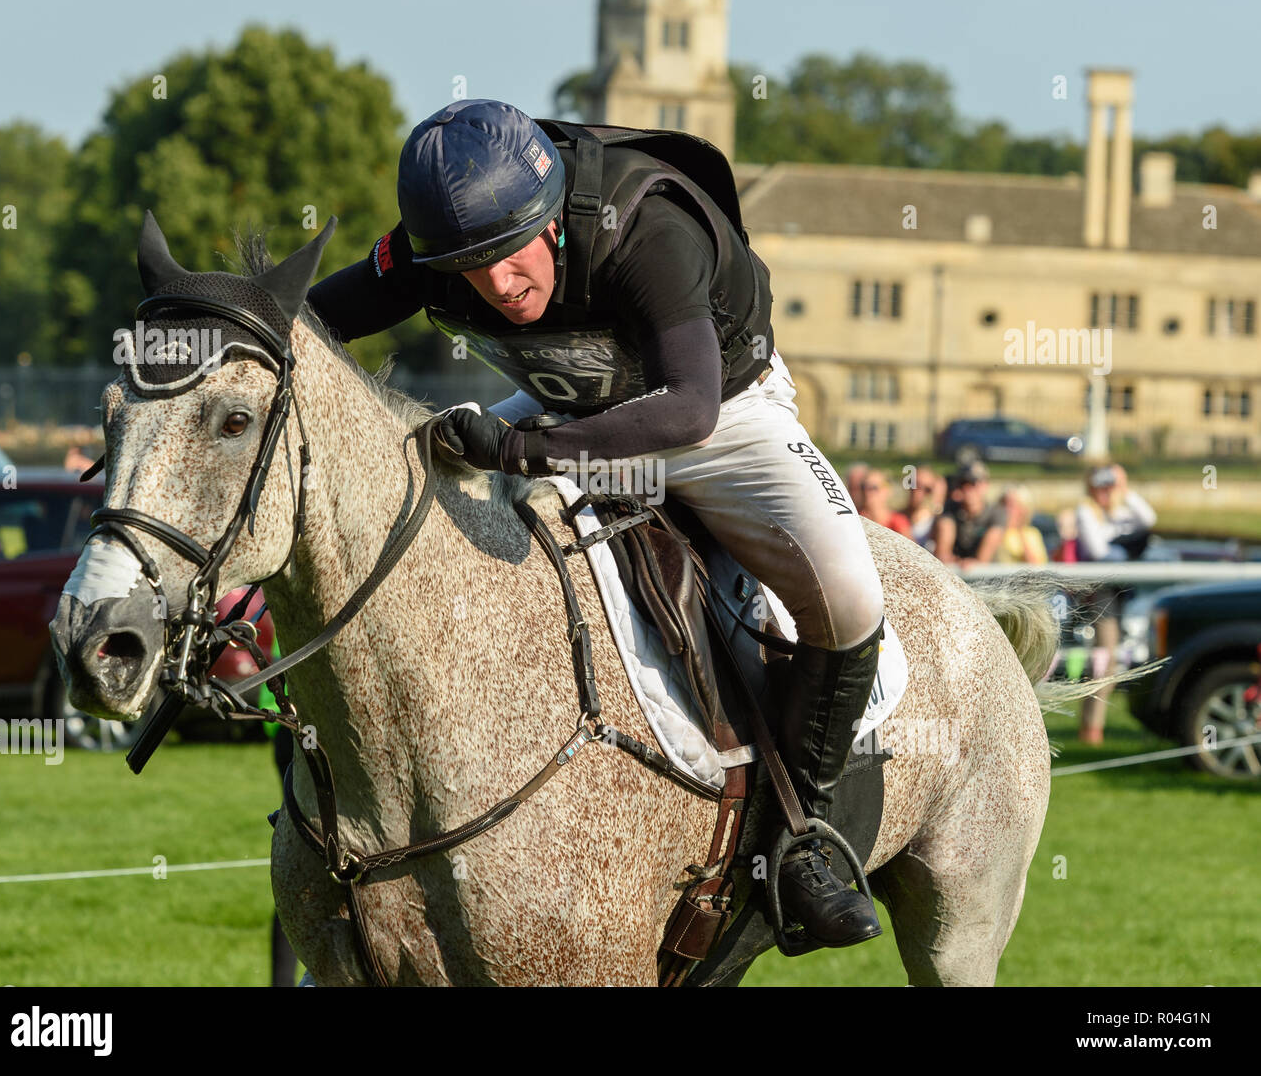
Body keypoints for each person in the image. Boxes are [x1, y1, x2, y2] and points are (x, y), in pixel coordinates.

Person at [307, 100, 884, 949]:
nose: (497, 288)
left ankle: (801, 843)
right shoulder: (433, 248)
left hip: (722, 420)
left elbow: (686, 409)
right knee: (405, 479)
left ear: (552, 222)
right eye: (468, 269)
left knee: (849, 592)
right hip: (562, 408)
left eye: (509, 256)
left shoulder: (647, 227)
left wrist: (520, 449)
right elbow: (308, 324)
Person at [1073, 465, 1156, 744]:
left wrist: (1124, 489)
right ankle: (1092, 729)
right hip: (1102, 591)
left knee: (1105, 660)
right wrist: (1122, 545)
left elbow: (1149, 518)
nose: (1106, 489)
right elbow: (1098, 551)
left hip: (1124, 590)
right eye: (1102, 483)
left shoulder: (1119, 510)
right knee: (1105, 660)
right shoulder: (1086, 511)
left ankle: (1089, 725)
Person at [932, 460, 1005, 568]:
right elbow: (942, 555)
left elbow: (983, 560)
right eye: (962, 483)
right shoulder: (949, 510)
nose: (967, 489)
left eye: (973, 483)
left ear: (985, 485)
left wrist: (973, 563)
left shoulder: (997, 513)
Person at [995, 485, 1048, 564]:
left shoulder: (1032, 534)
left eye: (1011, 505)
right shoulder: (993, 531)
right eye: (1003, 504)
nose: (1006, 509)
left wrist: (1020, 532)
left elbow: (1035, 566)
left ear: (1023, 509)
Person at [858, 469, 911, 539]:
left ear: (887, 491)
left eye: (873, 488)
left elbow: (910, 548)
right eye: (863, 487)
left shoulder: (898, 522)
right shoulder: (854, 517)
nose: (867, 492)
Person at [904, 466, 944, 551]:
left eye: (926, 489)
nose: (917, 491)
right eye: (913, 484)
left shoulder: (938, 524)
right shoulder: (895, 518)